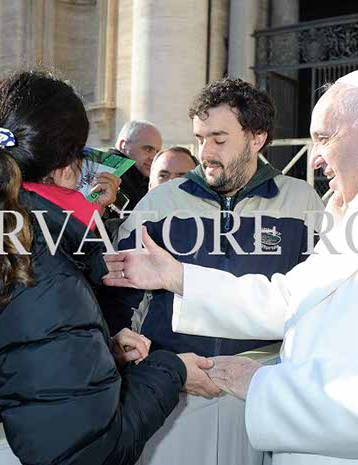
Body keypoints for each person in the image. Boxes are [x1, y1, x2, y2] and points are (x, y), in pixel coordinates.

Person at [103, 69, 358, 464]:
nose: (315, 158)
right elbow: (288, 298)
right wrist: (178, 277)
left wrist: (260, 384)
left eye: (324, 138)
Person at [0, 69, 219, 465]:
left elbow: (9, 350)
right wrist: (171, 369)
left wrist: (96, 353)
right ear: (68, 166)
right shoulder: (42, 271)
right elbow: (89, 450)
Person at [101, 78, 324, 356]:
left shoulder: (302, 202)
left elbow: (319, 298)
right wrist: (124, 350)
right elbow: (118, 295)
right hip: (173, 375)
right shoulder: (160, 202)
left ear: (257, 138)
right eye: (200, 139)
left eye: (219, 140)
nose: (205, 153)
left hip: (265, 376)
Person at [111, 120, 163, 209]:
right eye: (148, 149)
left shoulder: (140, 178)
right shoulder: (109, 172)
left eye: (157, 152)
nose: (154, 157)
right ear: (123, 145)